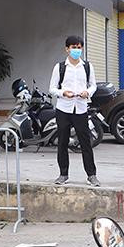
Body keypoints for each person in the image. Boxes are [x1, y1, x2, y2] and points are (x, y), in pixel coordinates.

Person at [50, 36, 99, 187]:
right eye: (73, 47)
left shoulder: (87, 66)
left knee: (85, 142)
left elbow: (93, 85)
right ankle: (63, 174)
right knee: (62, 142)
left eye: (79, 47)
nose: (76, 50)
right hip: (64, 108)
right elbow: (52, 88)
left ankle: (91, 175)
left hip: (81, 108)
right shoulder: (60, 67)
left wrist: (87, 92)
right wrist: (63, 93)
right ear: (67, 49)